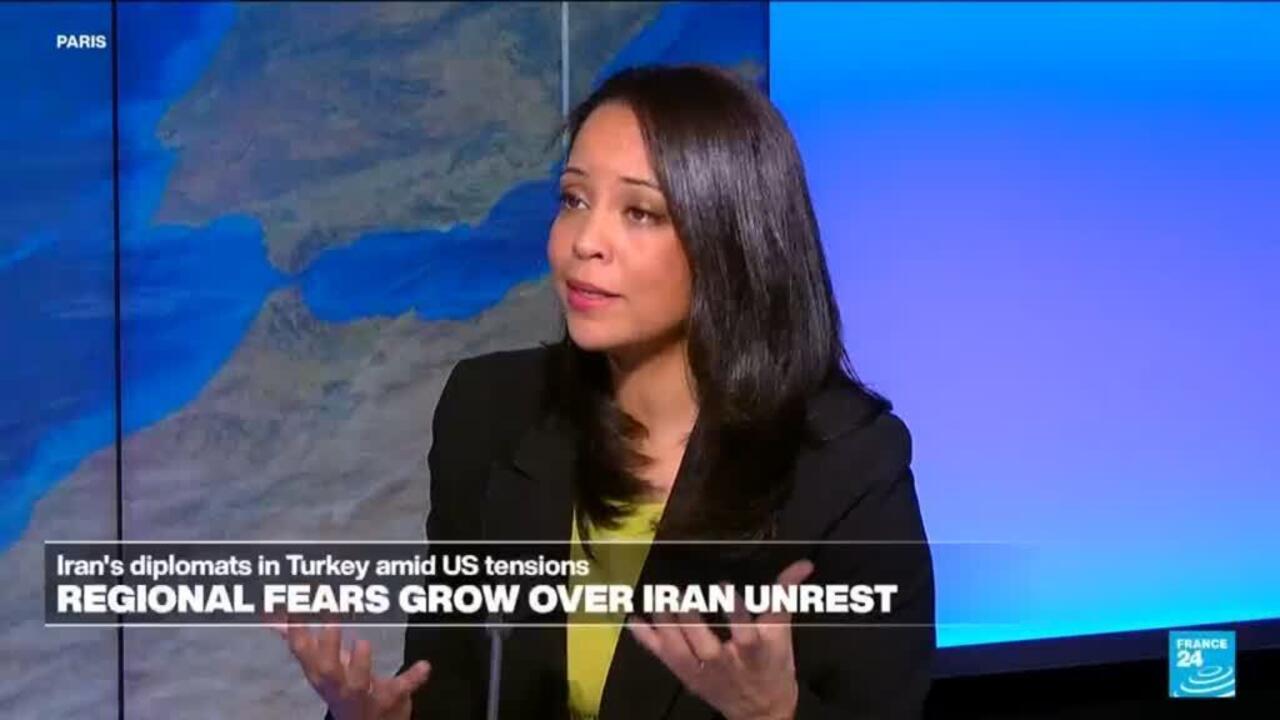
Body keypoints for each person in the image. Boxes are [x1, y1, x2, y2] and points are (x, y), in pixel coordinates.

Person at [286, 63, 935, 720]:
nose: (585, 242)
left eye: (640, 212)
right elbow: (455, 688)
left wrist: (774, 714)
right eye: (574, 200)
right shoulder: (488, 412)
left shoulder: (846, 466)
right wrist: (385, 717)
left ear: (732, 240)